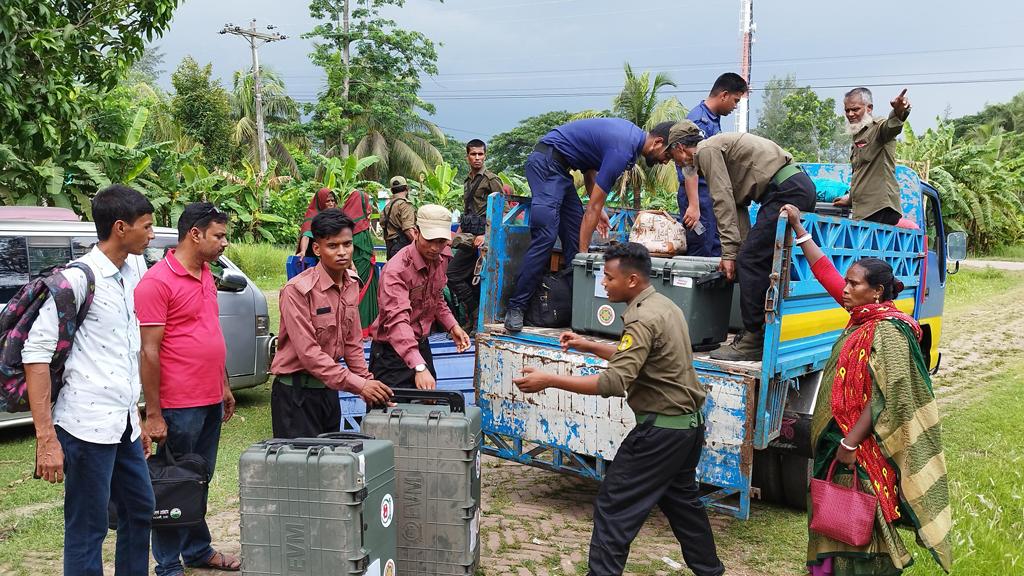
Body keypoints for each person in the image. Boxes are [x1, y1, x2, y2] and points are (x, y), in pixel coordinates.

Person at [512, 242, 724, 576]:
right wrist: (591, 345)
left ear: (633, 280)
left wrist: (548, 380)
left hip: (661, 433)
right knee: (683, 504)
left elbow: (612, 383)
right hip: (687, 429)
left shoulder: (641, 318)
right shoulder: (664, 306)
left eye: (609, 278)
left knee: (613, 507)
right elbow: (643, 360)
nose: (604, 284)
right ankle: (710, 571)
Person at [779, 205, 952, 576]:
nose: (845, 288)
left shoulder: (889, 332)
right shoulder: (862, 316)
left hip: (862, 448)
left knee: (862, 522)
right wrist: (799, 229)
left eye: (854, 284)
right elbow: (826, 273)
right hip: (838, 442)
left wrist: (850, 444)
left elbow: (888, 397)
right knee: (834, 516)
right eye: (847, 281)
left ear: (876, 291)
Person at [24, 184, 156, 576]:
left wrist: (137, 415)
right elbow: (35, 354)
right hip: (84, 426)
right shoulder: (77, 279)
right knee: (88, 526)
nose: (152, 234)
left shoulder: (135, 269)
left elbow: (125, 350)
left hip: (123, 425)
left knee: (140, 507)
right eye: (146, 227)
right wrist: (46, 439)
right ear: (120, 228)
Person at [134, 202, 240, 574]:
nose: (224, 242)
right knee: (172, 485)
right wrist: (154, 412)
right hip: (179, 404)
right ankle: (167, 565)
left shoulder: (207, 272)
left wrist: (225, 385)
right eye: (219, 235)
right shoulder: (157, 282)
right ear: (194, 234)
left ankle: (197, 550)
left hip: (209, 398)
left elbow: (211, 334)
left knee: (197, 480)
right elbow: (149, 351)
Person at [665, 120, 816, 361]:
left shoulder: (706, 151)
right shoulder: (714, 150)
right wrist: (737, 251)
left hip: (786, 190)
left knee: (750, 260)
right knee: (752, 258)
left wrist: (731, 255)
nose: (675, 162)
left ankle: (753, 339)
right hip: (792, 187)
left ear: (680, 148)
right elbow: (738, 206)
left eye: (673, 155)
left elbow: (722, 201)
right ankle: (760, 332)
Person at [504, 118, 672, 332]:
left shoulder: (630, 140)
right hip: (546, 165)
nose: (665, 161)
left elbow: (589, 170)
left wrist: (598, 209)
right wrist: (584, 256)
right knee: (546, 236)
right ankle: (516, 306)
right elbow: (591, 209)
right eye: (667, 155)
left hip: (561, 172)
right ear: (658, 142)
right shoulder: (624, 148)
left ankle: (577, 307)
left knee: (574, 239)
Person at [271, 209, 393, 438]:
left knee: (329, 464)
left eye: (347, 244)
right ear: (317, 249)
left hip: (329, 392)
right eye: (333, 246)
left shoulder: (351, 284)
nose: (342, 252)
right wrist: (359, 385)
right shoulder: (297, 291)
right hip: (296, 394)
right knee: (300, 468)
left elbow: (353, 344)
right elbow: (309, 354)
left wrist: (369, 386)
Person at [370, 204, 471, 390]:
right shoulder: (396, 270)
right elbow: (397, 322)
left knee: (428, 409)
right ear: (416, 233)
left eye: (441, 241)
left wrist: (453, 325)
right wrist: (419, 366)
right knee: (389, 414)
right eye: (430, 240)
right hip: (392, 354)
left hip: (421, 346)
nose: (435, 247)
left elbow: (437, 298)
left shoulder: (441, 259)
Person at [678, 72, 749, 256]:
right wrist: (693, 206)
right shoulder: (698, 121)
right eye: (735, 100)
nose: (735, 106)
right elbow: (688, 163)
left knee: (715, 248)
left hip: (708, 195)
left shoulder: (712, 120)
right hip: (697, 195)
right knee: (700, 245)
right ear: (723, 95)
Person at [833, 88, 911, 225]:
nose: (850, 114)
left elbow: (891, 127)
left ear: (869, 108)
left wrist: (898, 112)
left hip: (879, 208)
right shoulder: (858, 135)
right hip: (864, 210)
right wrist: (850, 198)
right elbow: (863, 174)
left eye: (855, 109)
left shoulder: (877, 128)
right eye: (847, 110)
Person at [448, 139, 503, 331]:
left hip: (483, 238)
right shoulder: (467, 181)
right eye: (473, 154)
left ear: (485, 155)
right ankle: (473, 317)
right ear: (467, 156)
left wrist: (487, 236)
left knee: (472, 278)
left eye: (481, 154)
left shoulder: (491, 180)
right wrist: (455, 235)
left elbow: (500, 211)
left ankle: (477, 319)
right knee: (455, 275)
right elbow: (468, 211)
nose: (477, 158)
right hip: (468, 238)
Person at [340, 188, 380, 334]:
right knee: (358, 294)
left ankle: (367, 327)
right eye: (367, 203)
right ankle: (358, 329)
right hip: (358, 265)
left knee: (366, 294)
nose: (369, 207)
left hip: (366, 264)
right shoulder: (353, 225)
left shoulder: (359, 222)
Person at [381, 176, 417, 259]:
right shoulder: (405, 205)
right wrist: (418, 246)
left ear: (391, 190)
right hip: (402, 247)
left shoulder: (387, 207)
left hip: (390, 247)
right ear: (406, 188)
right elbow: (408, 229)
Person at [295, 187, 338, 257]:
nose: (331, 204)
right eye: (328, 201)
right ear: (321, 202)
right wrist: (303, 251)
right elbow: (306, 235)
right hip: (316, 255)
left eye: (332, 201)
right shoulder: (313, 215)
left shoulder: (335, 215)